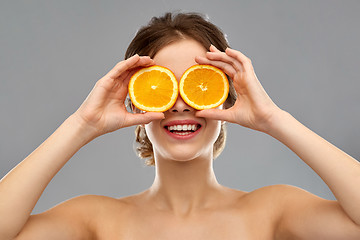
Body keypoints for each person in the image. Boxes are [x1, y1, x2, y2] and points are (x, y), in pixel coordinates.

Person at [1, 11, 360, 240]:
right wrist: (82, 123)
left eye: (197, 84)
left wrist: (274, 119)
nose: (180, 102)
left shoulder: (272, 210)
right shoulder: (97, 219)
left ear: (227, 98)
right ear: (134, 101)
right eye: (161, 87)